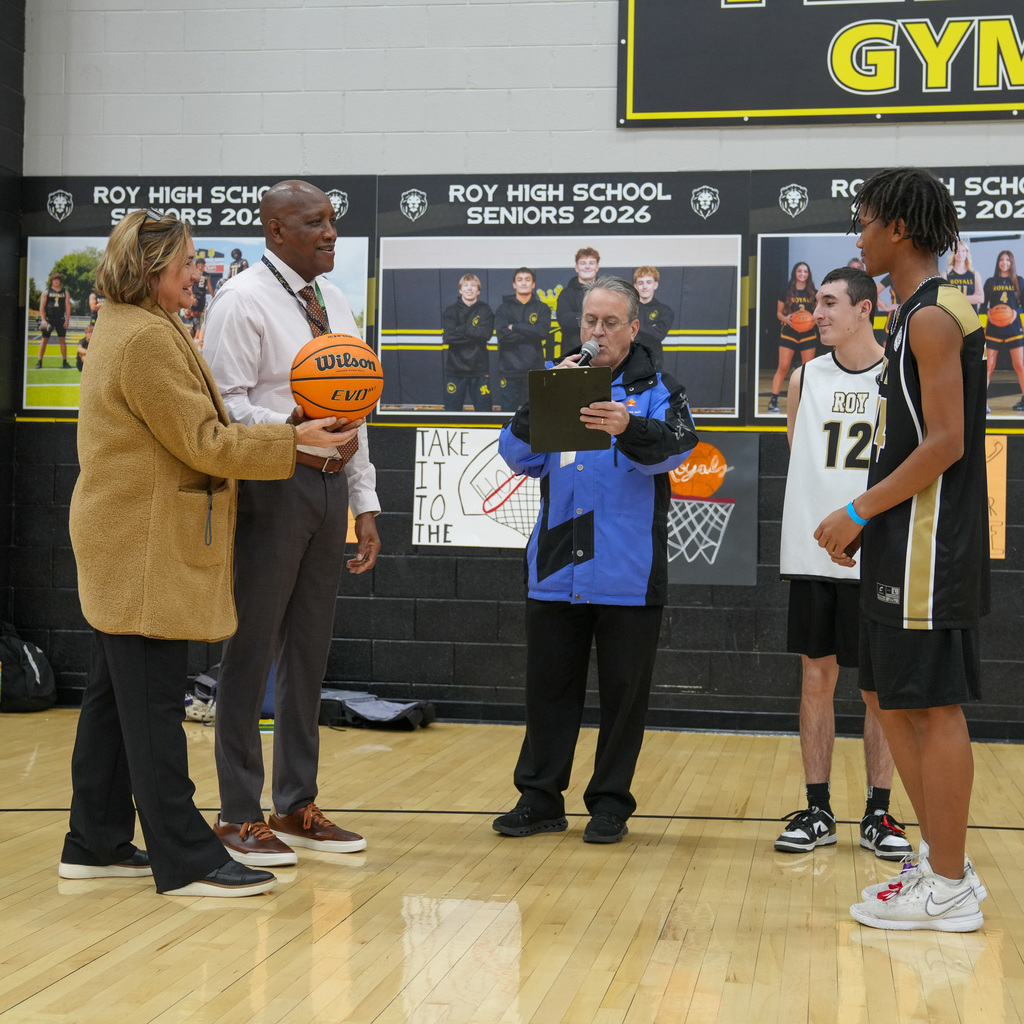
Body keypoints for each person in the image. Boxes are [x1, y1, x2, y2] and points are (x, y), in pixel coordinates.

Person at [59, 209, 347, 897]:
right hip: (142, 547)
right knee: (154, 706)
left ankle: (94, 841)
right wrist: (294, 443)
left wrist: (286, 429)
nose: (198, 271)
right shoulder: (143, 341)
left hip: (129, 541)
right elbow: (206, 442)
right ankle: (187, 859)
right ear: (152, 269)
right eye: (187, 262)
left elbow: (202, 430)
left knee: (110, 702)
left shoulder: (139, 327)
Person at [815, 167, 990, 932]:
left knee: (932, 707)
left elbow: (947, 442)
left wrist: (859, 508)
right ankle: (939, 862)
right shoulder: (912, 311)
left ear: (901, 231)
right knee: (884, 697)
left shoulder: (933, 317)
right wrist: (871, 521)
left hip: (929, 542)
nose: (858, 235)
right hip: (899, 532)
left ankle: (948, 884)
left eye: (865, 221)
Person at [203, 180, 381, 868]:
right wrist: (290, 429)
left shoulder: (335, 303)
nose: (330, 232)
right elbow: (224, 405)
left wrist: (364, 503)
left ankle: (296, 802)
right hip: (271, 484)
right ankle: (238, 813)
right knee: (250, 652)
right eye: (315, 222)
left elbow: (358, 413)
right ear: (277, 231)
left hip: (330, 487)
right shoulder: (240, 300)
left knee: (308, 651)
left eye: (332, 220)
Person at [492, 276, 698, 845]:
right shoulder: (560, 380)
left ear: (634, 328)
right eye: (589, 321)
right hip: (558, 566)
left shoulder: (659, 388)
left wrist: (629, 425)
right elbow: (515, 456)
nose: (597, 331)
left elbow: (680, 447)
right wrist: (541, 403)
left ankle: (609, 803)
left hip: (627, 569)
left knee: (623, 697)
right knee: (548, 690)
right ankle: (539, 797)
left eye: (610, 322)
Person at [775, 267, 911, 862]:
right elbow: (798, 454)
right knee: (815, 679)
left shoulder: (897, 376)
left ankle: (878, 813)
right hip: (813, 553)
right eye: (817, 302)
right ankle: (817, 808)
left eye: (829, 303)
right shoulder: (804, 377)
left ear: (865, 309)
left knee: (877, 690)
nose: (818, 312)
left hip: (875, 555)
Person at [495, 267, 551, 413]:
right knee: (508, 415)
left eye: (527, 280)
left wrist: (515, 327)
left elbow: (543, 332)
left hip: (534, 370)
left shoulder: (542, 308)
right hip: (509, 370)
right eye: (520, 280)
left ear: (533, 284)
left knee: (535, 413)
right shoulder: (503, 308)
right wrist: (530, 331)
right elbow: (502, 336)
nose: (524, 283)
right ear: (514, 284)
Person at [768, 261, 818, 413]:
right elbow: (778, 313)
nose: (802, 274)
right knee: (783, 367)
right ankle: (773, 401)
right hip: (789, 332)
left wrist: (812, 321)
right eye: (799, 271)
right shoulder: (786, 291)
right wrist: (786, 319)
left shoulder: (814, 293)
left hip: (808, 334)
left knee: (807, 369)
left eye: (805, 271)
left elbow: (818, 313)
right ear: (795, 273)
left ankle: (806, 401)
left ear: (808, 274)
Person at [442, 273, 494, 412]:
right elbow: (448, 337)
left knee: (484, 412)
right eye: (466, 285)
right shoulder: (450, 311)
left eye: (473, 285)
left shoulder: (485, 310)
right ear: (460, 289)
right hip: (455, 370)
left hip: (479, 370)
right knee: (452, 413)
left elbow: (485, 334)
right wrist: (474, 333)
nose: (469, 288)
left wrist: (462, 329)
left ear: (479, 290)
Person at [981, 250, 1024, 412]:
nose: (1004, 262)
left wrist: (1015, 313)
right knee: (988, 365)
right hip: (993, 328)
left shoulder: (1019, 281)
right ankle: (982, 402)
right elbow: (983, 306)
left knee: (1020, 365)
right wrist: (988, 318)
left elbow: (1023, 306)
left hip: (1014, 327)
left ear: (1012, 263)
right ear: (998, 262)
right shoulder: (990, 282)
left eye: (1007, 260)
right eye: (1001, 259)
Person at [556, 247, 600, 361]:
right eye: (583, 263)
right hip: (572, 353)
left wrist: (578, 318)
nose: (587, 266)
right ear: (577, 267)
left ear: (597, 267)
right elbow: (565, 321)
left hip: (600, 352)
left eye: (591, 263)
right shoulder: (565, 294)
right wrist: (594, 319)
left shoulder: (606, 293)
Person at [633, 265, 675, 370]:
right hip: (631, 358)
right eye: (640, 283)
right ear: (635, 286)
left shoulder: (665, 311)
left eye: (648, 282)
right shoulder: (628, 309)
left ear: (655, 285)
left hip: (654, 361)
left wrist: (633, 327)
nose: (645, 287)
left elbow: (658, 335)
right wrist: (650, 327)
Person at [35, 272, 72, 369]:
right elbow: (42, 306)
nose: (56, 281)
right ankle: (39, 361)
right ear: (51, 281)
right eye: (54, 280)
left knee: (62, 340)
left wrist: (67, 319)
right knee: (44, 340)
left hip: (60, 319)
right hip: (49, 319)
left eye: (58, 280)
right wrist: (43, 320)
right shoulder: (46, 291)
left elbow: (68, 306)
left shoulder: (65, 292)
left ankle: (65, 362)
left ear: (60, 281)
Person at [944, 242, 985, 307]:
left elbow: (980, 298)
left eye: (963, 251)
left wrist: (955, 298)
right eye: (957, 251)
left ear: (967, 253)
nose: (960, 254)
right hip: (953, 314)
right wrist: (971, 298)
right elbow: (944, 298)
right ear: (953, 254)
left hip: (970, 315)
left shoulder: (974, 274)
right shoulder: (945, 274)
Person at [78, 280, 105, 371]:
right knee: (92, 343)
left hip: (105, 322)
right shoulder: (93, 295)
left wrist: (100, 305)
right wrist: (105, 305)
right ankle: (88, 367)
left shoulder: (108, 295)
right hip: (96, 322)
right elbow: (93, 307)